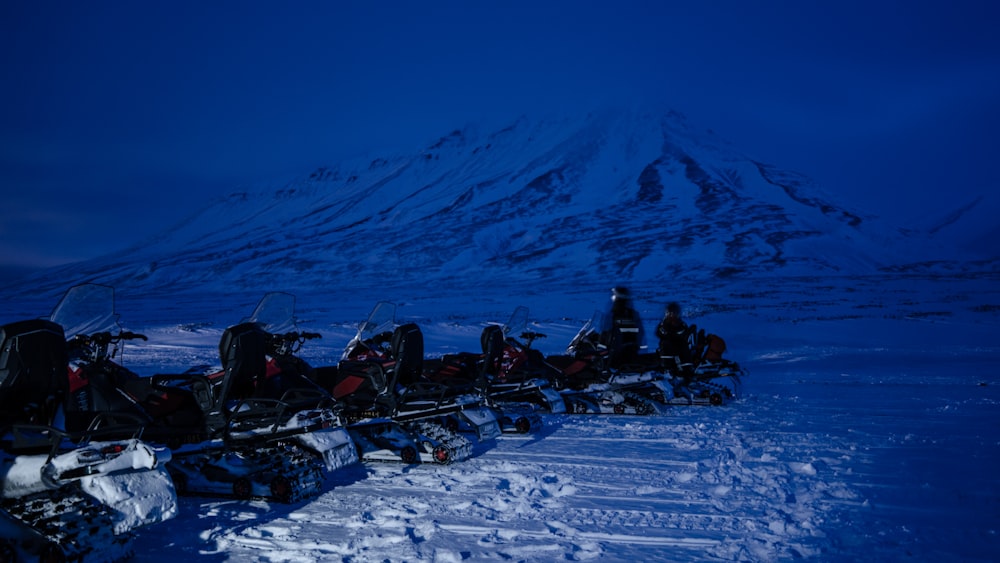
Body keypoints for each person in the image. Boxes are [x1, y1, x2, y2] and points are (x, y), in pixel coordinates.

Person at [600, 286, 643, 367]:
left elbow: (606, 331)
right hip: (630, 349)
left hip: (617, 350)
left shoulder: (614, 314)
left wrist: (602, 344)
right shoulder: (633, 314)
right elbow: (640, 332)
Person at [655, 301, 692, 370]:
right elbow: (658, 333)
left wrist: (676, 331)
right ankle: (666, 367)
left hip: (679, 347)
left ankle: (686, 368)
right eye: (669, 313)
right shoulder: (663, 324)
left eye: (673, 313)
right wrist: (666, 333)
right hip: (667, 347)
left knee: (684, 347)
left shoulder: (681, 324)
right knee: (665, 344)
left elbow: (684, 333)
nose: (671, 315)